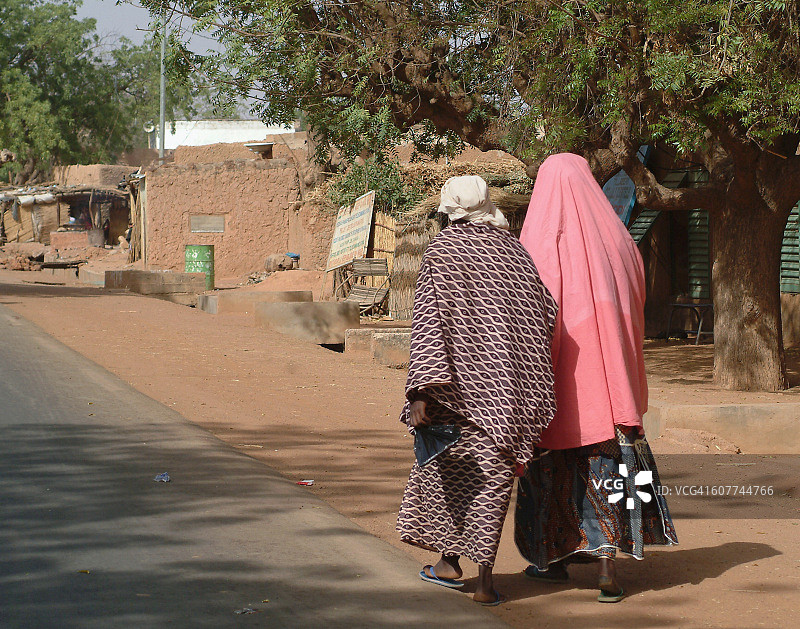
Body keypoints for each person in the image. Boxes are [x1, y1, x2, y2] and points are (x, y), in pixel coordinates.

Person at [515, 153, 677, 603]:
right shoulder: (620, 241)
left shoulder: (540, 241)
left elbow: (530, 316)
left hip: (557, 387)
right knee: (607, 472)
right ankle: (607, 566)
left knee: (552, 473)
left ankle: (551, 560)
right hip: (611, 387)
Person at [396, 175, 558, 606]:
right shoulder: (516, 251)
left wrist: (421, 391)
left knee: (452, 475)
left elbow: (429, 319)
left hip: (458, 391)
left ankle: (452, 565)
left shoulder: (444, 250)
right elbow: (546, 311)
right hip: (510, 392)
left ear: (450, 209)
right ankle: (477, 578)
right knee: (493, 481)